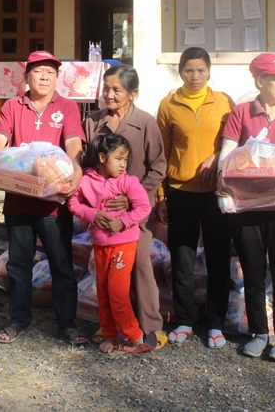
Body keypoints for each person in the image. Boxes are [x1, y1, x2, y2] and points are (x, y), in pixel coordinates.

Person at [0, 50, 86, 345]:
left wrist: (76, 171)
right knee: (19, 264)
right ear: (27, 77)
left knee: (61, 264)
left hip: (54, 204)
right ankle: (18, 320)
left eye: (51, 72)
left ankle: (67, 323)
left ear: (56, 78)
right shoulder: (13, 106)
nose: (45, 77)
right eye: (39, 72)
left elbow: (74, 142)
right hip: (18, 200)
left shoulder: (67, 107)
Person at [219, 52, 275, 362]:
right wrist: (223, 177)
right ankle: (259, 332)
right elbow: (228, 153)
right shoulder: (241, 113)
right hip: (249, 211)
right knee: (254, 274)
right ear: (260, 81)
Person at [84, 64, 167, 349]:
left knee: (141, 264)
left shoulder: (145, 122)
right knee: (107, 274)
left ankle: (150, 327)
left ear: (132, 94)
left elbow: (157, 167)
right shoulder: (93, 122)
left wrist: (135, 198)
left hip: (136, 213)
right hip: (103, 216)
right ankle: (111, 327)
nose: (109, 94)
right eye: (105, 88)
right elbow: (87, 165)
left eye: (116, 90)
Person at [155, 47, 233, 348]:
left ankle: (216, 323)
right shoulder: (168, 105)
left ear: (209, 71)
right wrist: (161, 194)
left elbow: (233, 142)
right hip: (180, 191)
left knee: (218, 256)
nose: (195, 76)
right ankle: (184, 319)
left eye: (201, 70)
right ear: (180, 71)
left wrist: (216, 157)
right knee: (183, 258)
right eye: (189, 70)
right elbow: (161, 151)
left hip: (216, 193)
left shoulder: (224, 102)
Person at [68, 133, 153, 353]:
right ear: (103, 157)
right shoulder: (86, 180)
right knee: (103, 291)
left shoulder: (128, 182)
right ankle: (109, 334)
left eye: (126, 159)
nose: (123, 164)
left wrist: (122, 223)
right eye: (118, 159)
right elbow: (73, 203)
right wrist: (92, 214)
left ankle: (134, 336)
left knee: (116, 291)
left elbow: (144, 207)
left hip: (124, 243)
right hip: (100, 244)